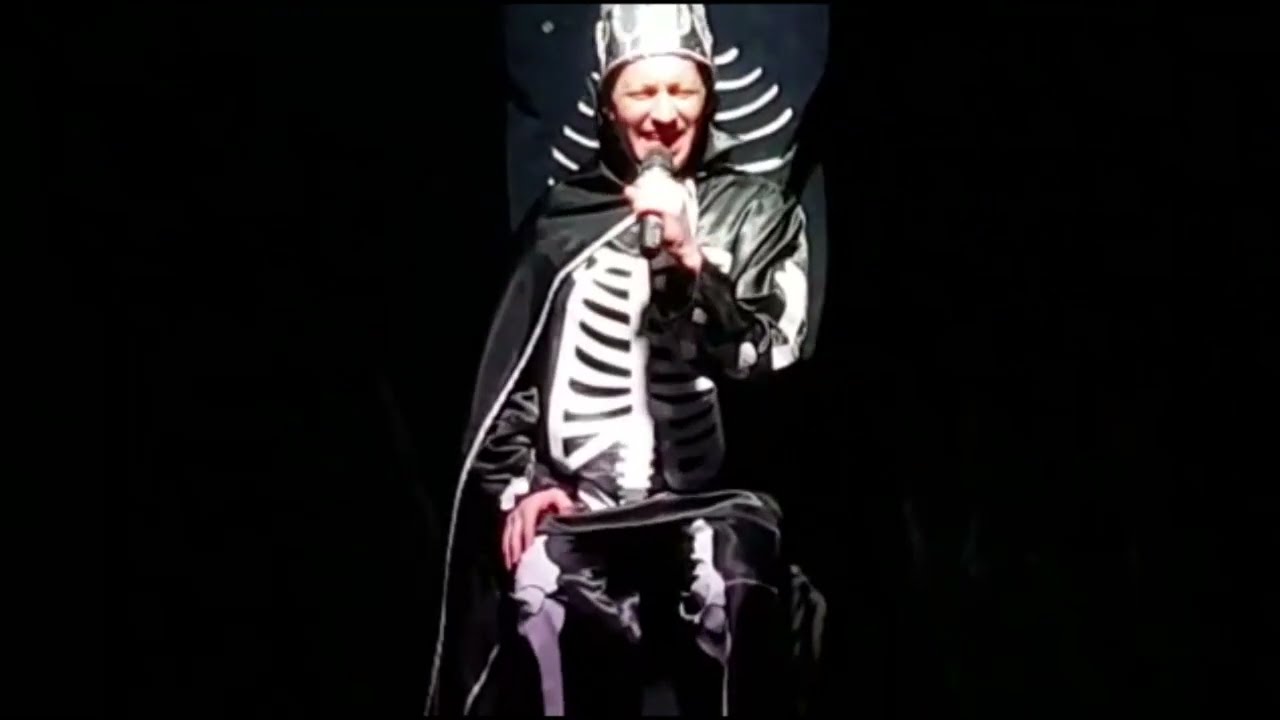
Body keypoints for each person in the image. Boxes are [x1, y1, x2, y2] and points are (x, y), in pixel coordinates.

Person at [426, 5, 825, 715]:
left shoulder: (757, 214)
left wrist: (693, 266)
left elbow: (775, 363)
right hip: (587, 507)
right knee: (540, 586)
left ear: (710, 97)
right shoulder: (564, 219)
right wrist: (527, 483)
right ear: (609, 105)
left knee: (734, 582)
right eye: (643, 91)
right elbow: (518, 374)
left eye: (683, 90)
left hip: (710, 498)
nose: (664, 114)